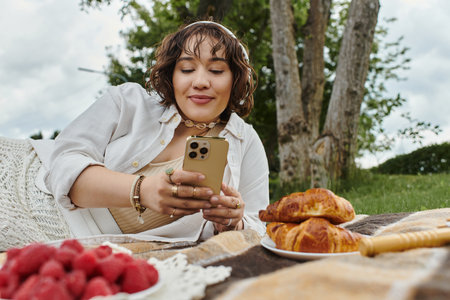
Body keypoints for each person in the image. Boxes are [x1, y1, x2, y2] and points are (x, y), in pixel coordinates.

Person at [24, 20, 269, 243]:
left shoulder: (246, 141)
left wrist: (230, 223)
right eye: (186, 69)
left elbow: (257, 229)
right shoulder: (127, 101)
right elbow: (63, 163)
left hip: (106, 251)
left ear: (236, 78)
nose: (201, 81)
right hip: (33, 195)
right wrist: (142, 190)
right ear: (171, 75)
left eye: (216, 70)